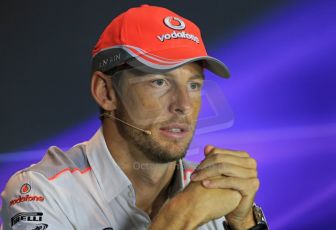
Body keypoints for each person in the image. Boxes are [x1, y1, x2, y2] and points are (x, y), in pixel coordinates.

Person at [0, 4, 268, 230]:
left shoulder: (212, 187)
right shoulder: (41, 191)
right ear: (106, 92)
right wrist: (180, 217)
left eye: (194, 85)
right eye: (160, 83)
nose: (183, 105)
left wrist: (243, 222)